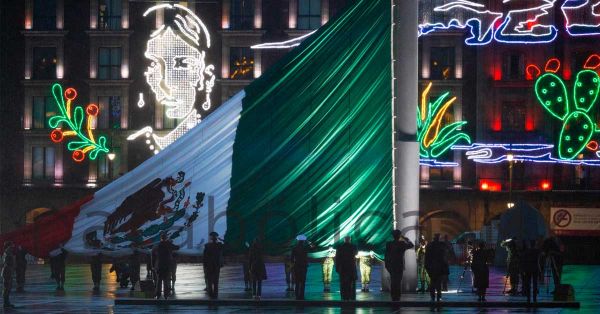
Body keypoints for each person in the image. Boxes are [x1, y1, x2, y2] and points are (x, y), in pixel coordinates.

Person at [385, 230, 415, 301]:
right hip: (399, 264)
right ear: (399, 236)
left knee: (393, 280)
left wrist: (387, 265)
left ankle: (393, 295)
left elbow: (386, 255)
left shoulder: (389, 244)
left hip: (391, 265)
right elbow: (411, 245)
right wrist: (406, 239)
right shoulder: (402, 243)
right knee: (398, 281)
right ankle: (397, 296)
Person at [153, 233, 180, 299]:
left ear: (161, 238)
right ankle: (166, 295)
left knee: (159, 280)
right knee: (166, 280)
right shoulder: (168, 244)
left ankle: (158, 294)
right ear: (166, 238)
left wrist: (153, 265)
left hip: (160, 265)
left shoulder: (158, 245)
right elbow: (177, 247)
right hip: (167, 265)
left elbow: (153, 255)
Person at [425, 233, 448, 302]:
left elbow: (427, 257)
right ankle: (439, 296)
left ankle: (432, 296)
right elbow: (445, 255)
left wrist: (427, 266)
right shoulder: (442, 245)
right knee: (439, 282)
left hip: (432, 267)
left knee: (432, 282)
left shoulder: (430, 245)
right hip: (440, 267)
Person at [336, 236, 358, 301]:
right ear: (350, 240)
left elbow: (337, 258)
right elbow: (356, 253)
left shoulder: (340, 247)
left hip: (343, 268)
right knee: (351, 283)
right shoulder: (353, 246)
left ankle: (344, 296)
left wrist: (337, 268)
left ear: (344, 240)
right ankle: (351, 296)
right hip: (351, 268)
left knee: (343, 283)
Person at [203, 231, 224, 299]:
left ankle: (211, 294)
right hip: (216, 265)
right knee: (216, 281)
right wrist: (222, 240)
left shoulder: (207, 245)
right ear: (216, 238)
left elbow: (205, 257)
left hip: (209, 265)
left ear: (211, 238)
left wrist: (205, 265)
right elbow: (228, 245)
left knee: (209, 281)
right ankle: (215, 295)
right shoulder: (219, 245)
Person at [290, 234, 309, 300]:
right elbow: (312, 248)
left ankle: (297, 296)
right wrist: (307, 241)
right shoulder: (305, 248)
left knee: (297, 282)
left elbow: (292, 258)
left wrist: (293, 264)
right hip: (303, 266)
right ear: (303, 241)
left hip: (297, 266)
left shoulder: (294, 248)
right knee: (303, 282)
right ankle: (302, 295)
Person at [2, 242, 16, 308]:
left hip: (9, 272)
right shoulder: (7, 253)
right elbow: (7, 262)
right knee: (6, 288)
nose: (13, 247)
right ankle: (6, 303)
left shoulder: (9, 252)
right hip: (7, 272)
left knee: (8, 288)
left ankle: (7, 302)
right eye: (11, 246)